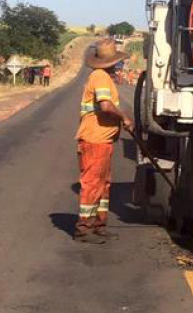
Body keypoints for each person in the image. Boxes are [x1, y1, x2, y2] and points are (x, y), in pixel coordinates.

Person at [74, 40, 134, 243]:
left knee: (103, 184)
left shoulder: (103, 77)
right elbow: (106, 106)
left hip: (103, 140)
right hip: (94, 140)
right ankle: (84, 228)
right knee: (92, 184)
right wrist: (124, 117)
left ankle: (99, 224)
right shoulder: (100, 77)